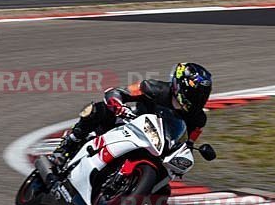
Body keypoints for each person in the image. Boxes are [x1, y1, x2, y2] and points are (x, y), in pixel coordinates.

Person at [53, 63, 213, 164]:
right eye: (195, 94)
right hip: (130, 124)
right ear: (181, 86)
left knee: (163, 190)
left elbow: (188, 145)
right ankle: (69, 143)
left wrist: (185, 157)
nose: (198, 99)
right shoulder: (152, 88)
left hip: (158, 147)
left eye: (202, 95)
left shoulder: (198, 118)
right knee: (97, 110)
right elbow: (118, 92)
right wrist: (118, 105)